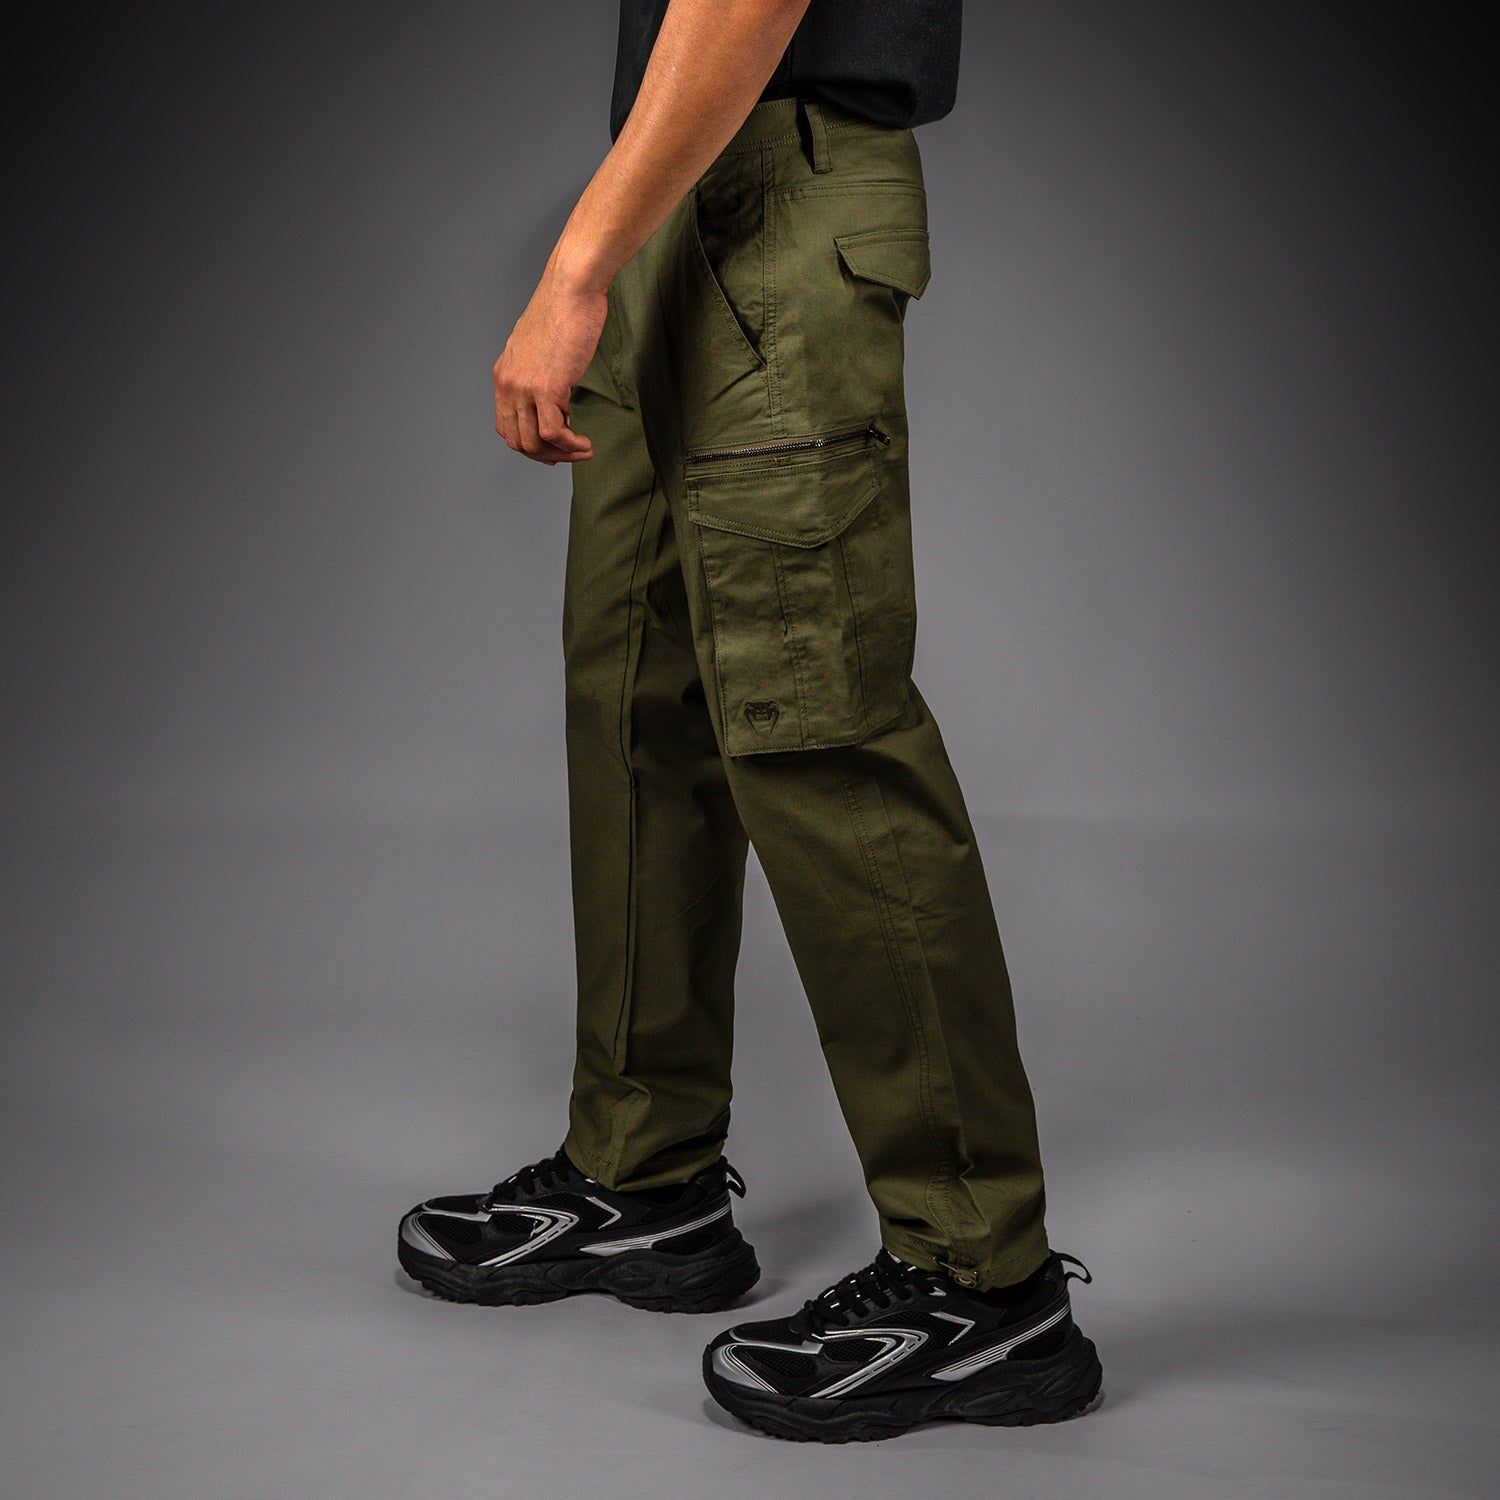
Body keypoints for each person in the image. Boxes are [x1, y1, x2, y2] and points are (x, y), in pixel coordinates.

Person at [397, 0, 1101, 1441]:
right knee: (638, 699)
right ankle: (641, 1177)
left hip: (776, 189)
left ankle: (984, 1281)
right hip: (673, 188)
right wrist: (620, 235)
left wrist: (575, 264)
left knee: (817, 721)